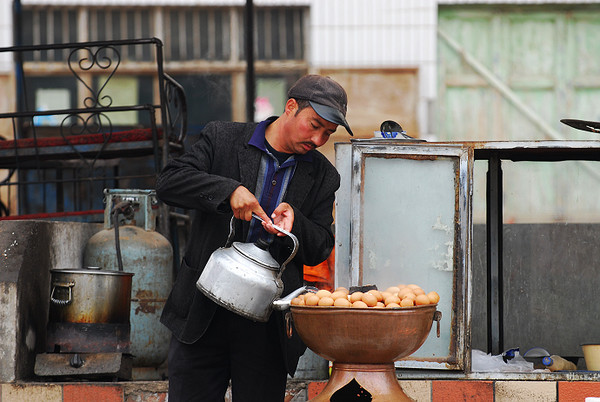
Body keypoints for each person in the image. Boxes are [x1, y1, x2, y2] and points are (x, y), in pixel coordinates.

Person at [156, 74, 353, 402]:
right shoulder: (223, 138)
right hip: (203, 310)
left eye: (327, 133)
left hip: (267, 323)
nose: (319, 139)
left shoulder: (322, 175)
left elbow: (320, 245)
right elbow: (169, 182)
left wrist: (296, 225)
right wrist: (228, 190)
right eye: (313, 125)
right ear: (290, 107)